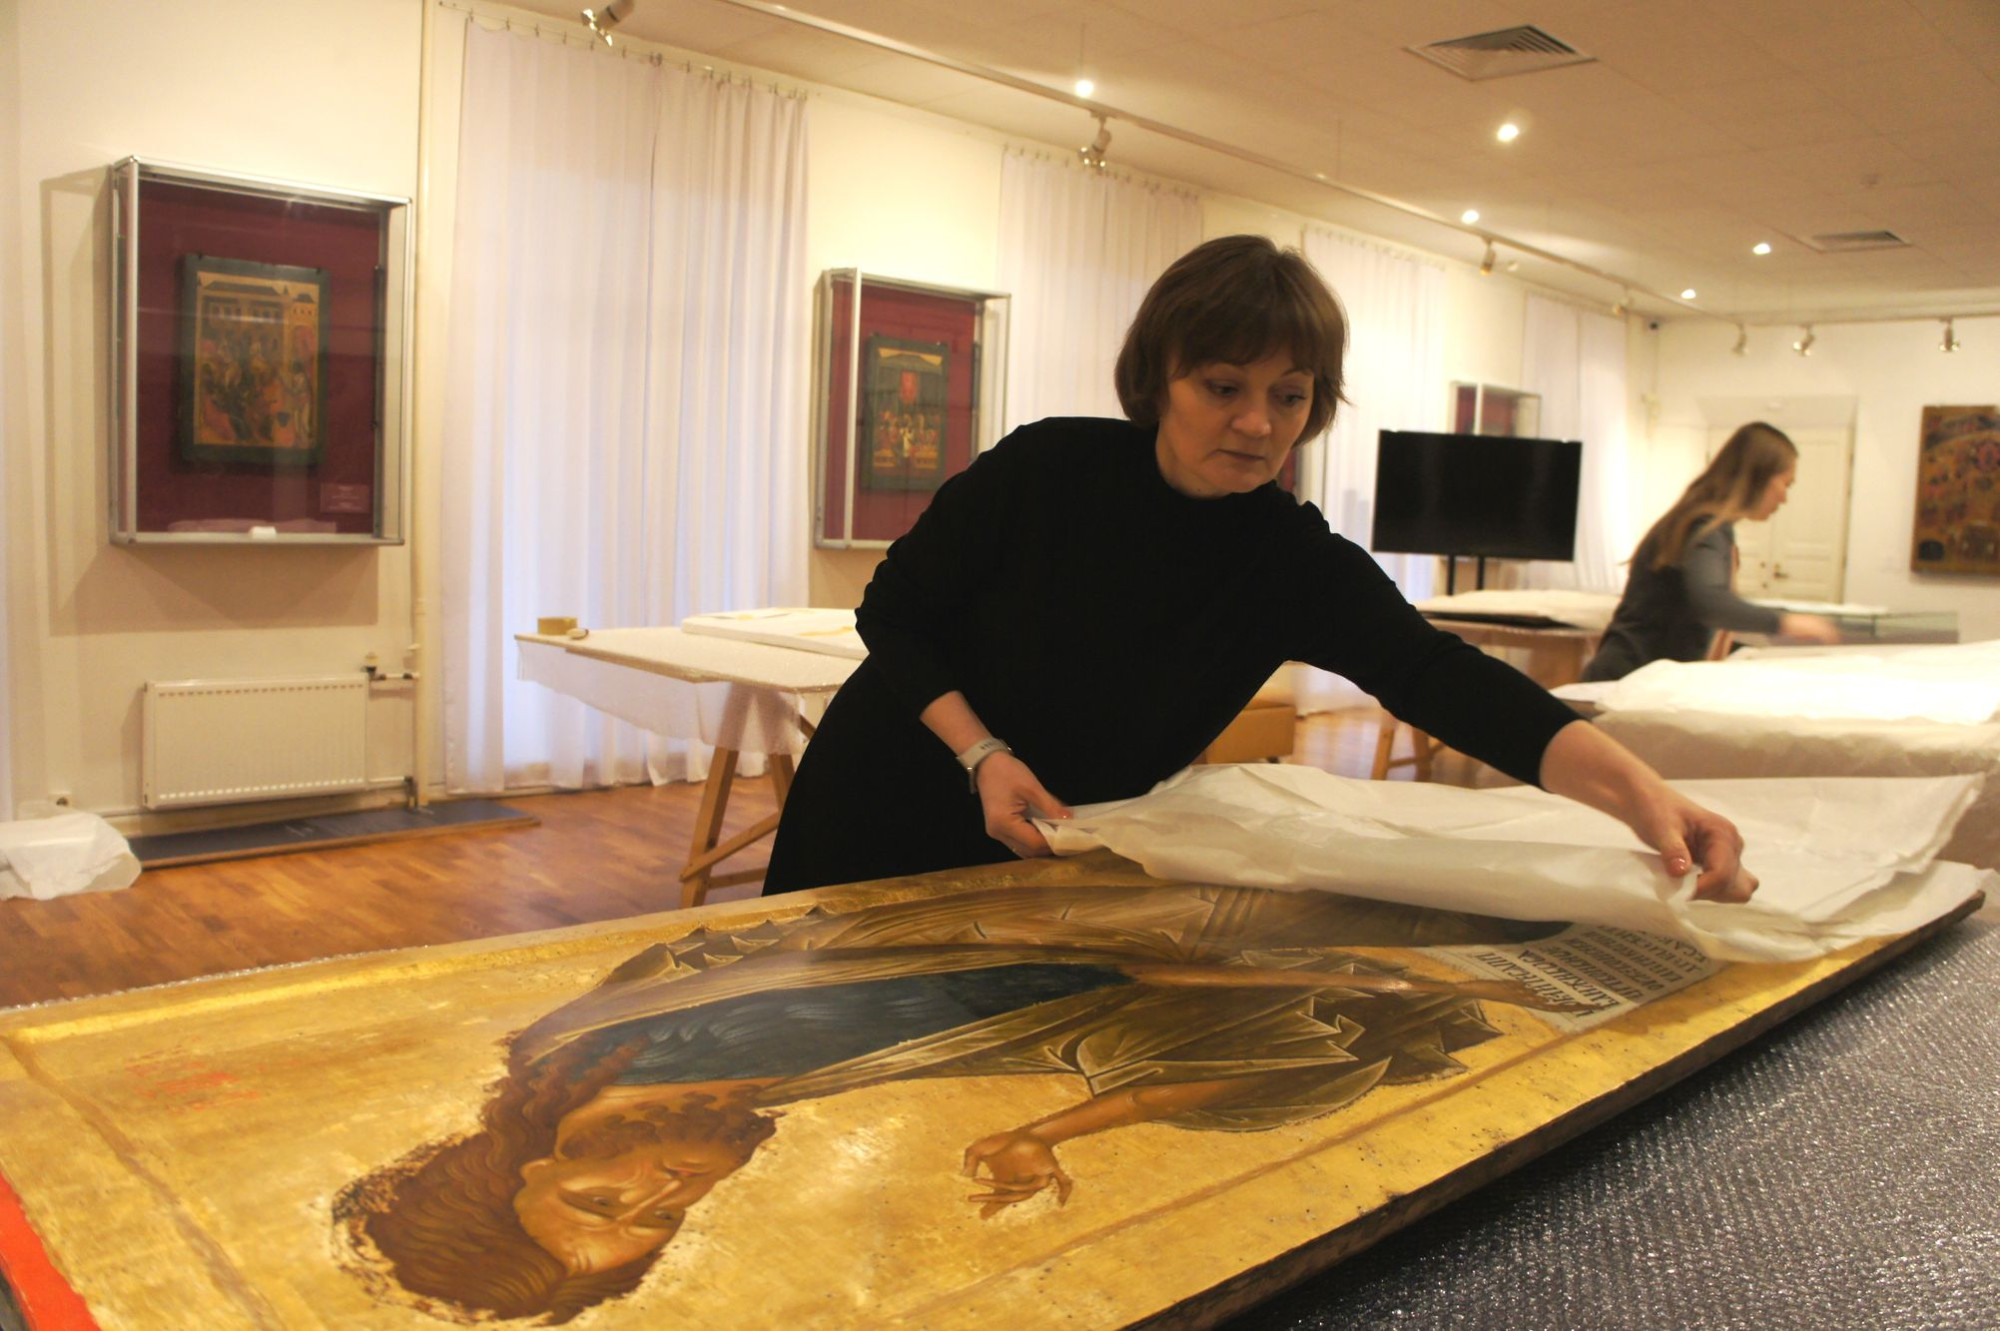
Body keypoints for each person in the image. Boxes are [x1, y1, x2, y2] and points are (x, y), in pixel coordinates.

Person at [763, 234, 1759, 903]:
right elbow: (893, 610)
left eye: (1289, 395)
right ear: (1159, 378)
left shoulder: (1291, 560)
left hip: (1054, 837)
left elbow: (1441, 677)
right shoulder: (1049, 467)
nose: (1256, 422)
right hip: (888, 794)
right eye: (1223, 386)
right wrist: (982, 753)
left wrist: (1646, 797)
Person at [337, 879, 1591, 1322]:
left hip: (1110, 914)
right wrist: (1045, 1127)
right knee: (1309, 1053)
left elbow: (914, 951)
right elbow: (1047, 1019)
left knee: (1462, 918)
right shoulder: (752, 1095)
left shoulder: (599, 1036)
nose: (666, 1188)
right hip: (1137, 968)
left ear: (516, 1166)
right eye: (658, 1218)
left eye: (603, 1198)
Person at [1582, 421, 1840, 682]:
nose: (1784, 498)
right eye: (1786, 483)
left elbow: (1692, 624)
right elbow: (1711, 603)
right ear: (1759, 477)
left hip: (1633, 676)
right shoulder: (1704, 527)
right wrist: (1785, 622)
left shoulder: (1705, 524)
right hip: (1626, 680)